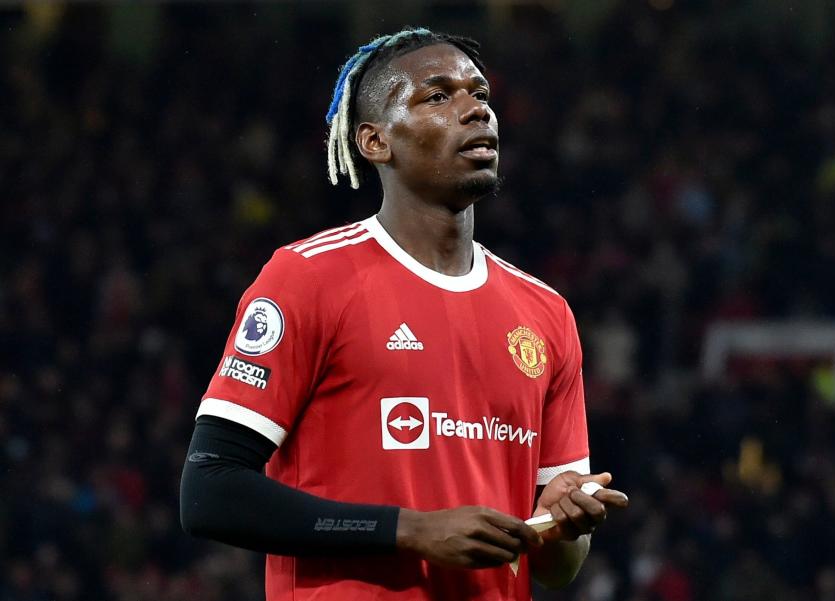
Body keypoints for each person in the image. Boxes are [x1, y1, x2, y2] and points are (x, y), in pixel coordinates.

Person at [179, 27, 628, 601]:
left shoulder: (545, 313)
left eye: (480, 94)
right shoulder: (309, 277)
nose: (475, 110)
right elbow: (209, 492)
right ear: (374, 141)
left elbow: (558, 567)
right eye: (438, 97)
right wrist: (408, 531)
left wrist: (563, 525)